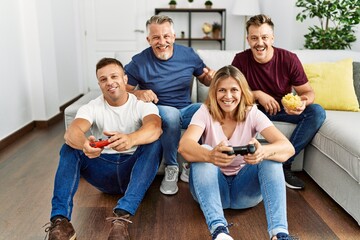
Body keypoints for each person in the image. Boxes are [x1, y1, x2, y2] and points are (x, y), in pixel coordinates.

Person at [44, 58, 163, 240]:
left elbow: (155, 128)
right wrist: (84, 144)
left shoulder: (142, 106)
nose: (109, 82)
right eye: (103, 79)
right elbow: (72, 132)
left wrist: (130, 139)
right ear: (99, 84)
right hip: (102, 171)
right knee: (69, 147)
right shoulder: (92, 107)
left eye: (114, 76)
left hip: (133, 171)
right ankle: (61, 222)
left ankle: (121, 220)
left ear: (125, 79)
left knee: (155, 144)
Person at [178, 65, 297, 240]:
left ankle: (279, 234)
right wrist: (210, 156)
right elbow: (184, 146)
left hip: (244, 192)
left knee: (271, 158)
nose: (228, 96)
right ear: (214, 92)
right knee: (204, 150)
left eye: (234, 90)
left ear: (242, 91)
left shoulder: (252, 113)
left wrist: (262, 152)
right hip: (213, 190)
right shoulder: (205, 111)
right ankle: (219, 231)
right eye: (222, 90)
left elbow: (288, 148)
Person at [231, 14, 326, 190]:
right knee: (231, 111)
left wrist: (302, 103)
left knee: (317, 112)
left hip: (283, 110)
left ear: (272, 38)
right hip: (253, 110)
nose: (260, 43)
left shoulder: (289, 59)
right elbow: (231, 95)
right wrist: (258, 94)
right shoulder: (240, 60)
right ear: (248, 40)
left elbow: (307, 92)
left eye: (264, 37)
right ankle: (237, 167)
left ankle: (284, 164)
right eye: (254, 38)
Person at [124, 15, 215, 195]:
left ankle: (192, 163)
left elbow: (204, 79)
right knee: (172, 115)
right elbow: (121, 92)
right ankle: (172, 167)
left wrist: (210, 78)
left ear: (174, 37)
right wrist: (137, 93)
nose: (162, 42)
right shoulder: (139, 61)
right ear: (148, 39)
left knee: (208, 110)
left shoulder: (188, 54)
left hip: (186, 109)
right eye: (156, 37)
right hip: (158, 109)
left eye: (166, 36)